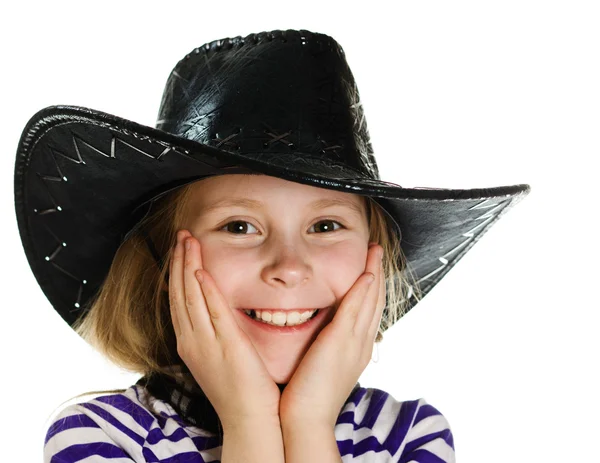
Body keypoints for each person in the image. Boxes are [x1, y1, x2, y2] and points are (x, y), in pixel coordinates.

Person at [15, 29, 529, 462]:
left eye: (326, 226)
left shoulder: (409, 435)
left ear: (376, 253)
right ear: (161, 259)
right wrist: (248, 422)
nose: (290, 267)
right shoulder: (102, 436)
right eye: (239, 227)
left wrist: (308, 422)